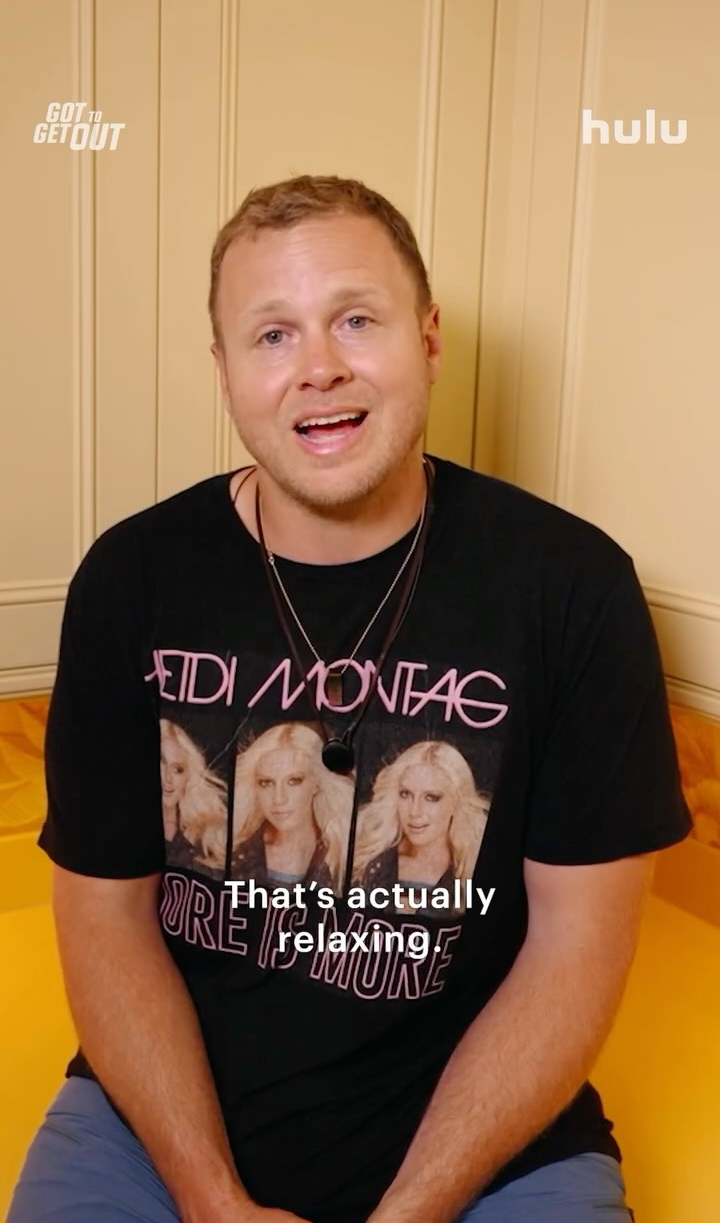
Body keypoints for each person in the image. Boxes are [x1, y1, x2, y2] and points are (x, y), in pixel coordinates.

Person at [10, 173, 692, 1223]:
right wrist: (211, 1197)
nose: (318, 365)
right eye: (272, 334)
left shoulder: (572, 587)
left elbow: (575, 947)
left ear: (428, 337)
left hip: (491, 1150)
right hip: (153, 1128)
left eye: (356, 319)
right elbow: (105, 918)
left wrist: (411, 1210)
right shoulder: (132, 578)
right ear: (226, 372)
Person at [352, 739, 489, 913]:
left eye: (431, 797)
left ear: (456, 803)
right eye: (405, 794)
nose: (415, 811)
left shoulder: (474, 872)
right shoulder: (366, 864)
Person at [231, 721, 352, 891]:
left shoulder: (344, 856)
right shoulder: (233, 853)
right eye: (266, 783)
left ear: (316, 782)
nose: (279, 799)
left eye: (294, 781)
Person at [160, 716, 228, 877]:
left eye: (178, 769)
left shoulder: (205, 836)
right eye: (161, 764)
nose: (168, 778)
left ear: (188, 778)